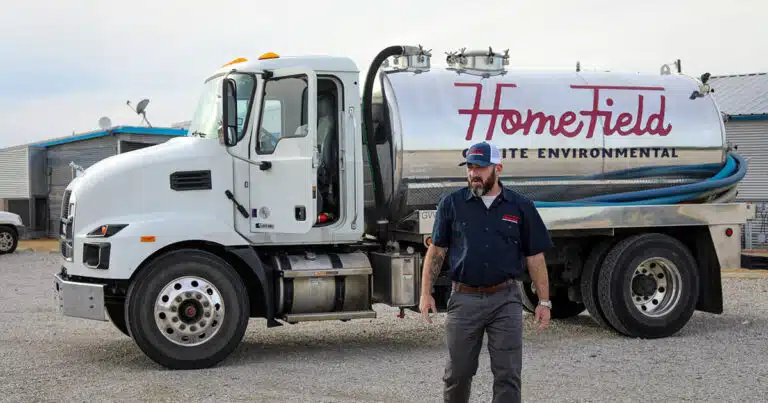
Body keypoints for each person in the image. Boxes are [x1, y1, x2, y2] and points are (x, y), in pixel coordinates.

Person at [419, 141, 554, 403]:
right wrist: (425, 293)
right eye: (470, 167)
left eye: (480, 167)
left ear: (498, 168)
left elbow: (535, 257)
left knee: (508, 375)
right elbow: (436, 251)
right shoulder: (452, 204)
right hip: (464, 299)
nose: (474, 173)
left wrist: (544, 301)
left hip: (505, 300)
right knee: (457, 374)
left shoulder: (520, 206)